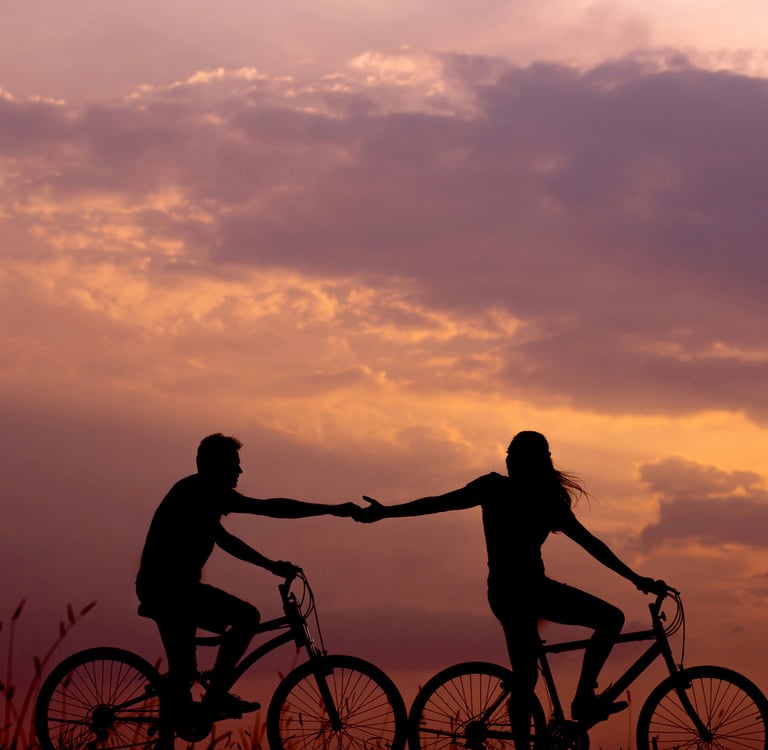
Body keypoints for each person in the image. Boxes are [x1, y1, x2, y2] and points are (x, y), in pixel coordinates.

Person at [357, 430, 667, 750]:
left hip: (520, 592)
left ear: (532, 461)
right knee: (593, 630)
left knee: (533, 671)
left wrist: (635, 578)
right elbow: (438, 504)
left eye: (514, 454)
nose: (507, 459)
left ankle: (576, 704)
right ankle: (583, 700)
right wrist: (387, 512)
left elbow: (591, 544)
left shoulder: (535, 498)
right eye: (508, 453)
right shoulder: (502, 490)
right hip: (519, 592)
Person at [136, 433, 360, 721]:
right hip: (169, 591)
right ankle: (215, 696)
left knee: (184, 675)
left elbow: (225, 539)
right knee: (246, 618)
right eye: (234, 464)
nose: (240, 471)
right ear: (216, 466)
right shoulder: (201, 492)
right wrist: (332, 510)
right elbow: (270, 509)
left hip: (173, 590)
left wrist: (270, 564)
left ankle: (185, 709)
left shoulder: (199, 495)